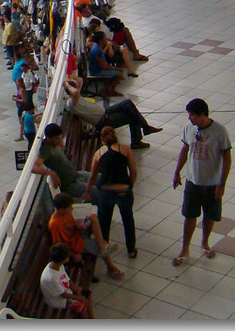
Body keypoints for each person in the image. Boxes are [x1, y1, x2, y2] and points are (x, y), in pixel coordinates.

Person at [172, 98, 232, 266]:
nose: (189, 118)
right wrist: (177, 172)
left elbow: (227, 157)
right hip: (193, 181)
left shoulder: (219, 131)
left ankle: (205, 242)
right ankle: (185, 247)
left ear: (202, 115)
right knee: (189, 215)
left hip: (212, 183)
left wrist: (222, 183)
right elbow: (185, 149)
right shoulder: (189, 128)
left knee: (209, 215)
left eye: (192, 115)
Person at [62, 75, 161, 149]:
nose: (77, 89)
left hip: (105, 113)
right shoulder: (72, 103)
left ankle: (146, 128)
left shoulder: (76, 97)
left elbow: (80, 80)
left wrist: (67, 81)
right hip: (104, 121)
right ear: (71, 91)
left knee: (127, 103)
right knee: (131, 115)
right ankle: (138, 139)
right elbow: (75, 91)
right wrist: (66, 85)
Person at [85, 125, 138, 258]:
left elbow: (92, 176)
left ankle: (105, 248)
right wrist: (129, 186)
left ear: (102, 138)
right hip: (124, 190)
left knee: (104, 221)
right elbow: (133, 171)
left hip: (105, 192)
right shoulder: (125, 149)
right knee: (128, 220)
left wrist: (87, 191)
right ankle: (131, 249)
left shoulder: (99, 153)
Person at [48, 193, 124, 280]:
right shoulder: (54, 224)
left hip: (78, 235)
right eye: (69, 207)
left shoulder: (65, 214)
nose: (72, 209)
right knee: (99, 247)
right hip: (75, 245)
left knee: (92, 217)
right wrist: (73, 255)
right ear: (61, 209)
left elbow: (70, 225)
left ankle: (102, 244)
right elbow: (59, 245)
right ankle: (110, 265)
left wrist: (80, 225)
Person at [40, 242, 94, 318]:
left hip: (66, 292)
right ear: (63, 259)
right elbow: (63, 295)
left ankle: (92, 318)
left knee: (87, 293)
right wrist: (79, 298)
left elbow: (67, 280)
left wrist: (76, 290)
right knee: (82, 307)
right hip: (59, 301)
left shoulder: (58, 265)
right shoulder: (50, 278)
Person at [86, 31, 124, 97]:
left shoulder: (97, 46)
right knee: (119, 75)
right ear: (101, 40)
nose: (106, 39)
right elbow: (104, 67)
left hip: (97, 69)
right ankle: (105, 90)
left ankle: (109, 89)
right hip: (96, 72)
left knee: (119, 71)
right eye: (105, 37)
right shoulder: (97, 50)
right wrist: (115, 68)